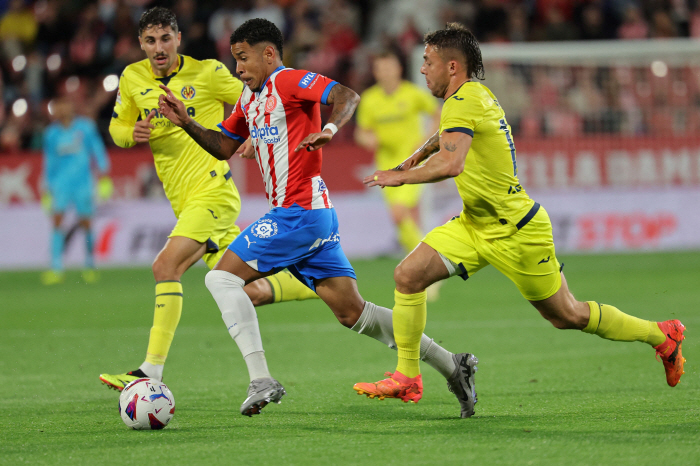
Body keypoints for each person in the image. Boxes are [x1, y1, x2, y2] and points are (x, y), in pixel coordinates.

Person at [355, 22, 686, 411]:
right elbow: (449, 138)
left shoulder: (463, 101)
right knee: (408, 275)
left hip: (516, 231)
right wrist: (422, 151)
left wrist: (401, 175)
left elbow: (453, 163)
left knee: (567, 315)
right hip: (475, 224)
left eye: (428, 61)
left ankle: (662, 335)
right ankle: (408, 376)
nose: (423, 68)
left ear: (452, 67)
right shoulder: (471, 95)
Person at [158, 18, 478, 418]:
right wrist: (186, 122)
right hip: (308, 216)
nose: (238, 68)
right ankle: (454, 365)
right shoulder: (248, 98)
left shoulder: (290, 81)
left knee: (220, 277)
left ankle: (261, 378)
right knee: (353, 313)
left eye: (243, 59)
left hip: (300, 213)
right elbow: (224, 145)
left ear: (269, 54)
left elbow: (346, 95)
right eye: (234, 59)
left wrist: (328, 127)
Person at [99, 7, 317, 392]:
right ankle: (312, 283)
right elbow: (116, 126)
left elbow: (261, 96)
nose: (159, 47)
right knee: (249, 289)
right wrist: (131, 132)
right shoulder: (132, 77)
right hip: (183, 201)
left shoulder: (209, 73)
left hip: (213, 190)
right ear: (141, 44)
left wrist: (256, 134)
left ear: (178, 38)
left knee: (165, 265)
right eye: (150, 40)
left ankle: (149, 371)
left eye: (165, 38)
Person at [355, 48, 439, 256]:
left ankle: (427, 259)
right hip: (386, 164)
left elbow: (437, 115)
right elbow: (361, 132)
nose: (385, 73)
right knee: (399, 217)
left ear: (399, 70)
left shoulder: (412, 94)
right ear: (375, 73)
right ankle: (426, 262)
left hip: (412, 162)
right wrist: (367, 139)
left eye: (389, 68)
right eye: (380, 69)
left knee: (399, 212)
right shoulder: (369, 99)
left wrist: (426, 142)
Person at [41, 96, 111, 285]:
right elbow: (49, 161)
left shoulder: (85, 127)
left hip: (83, 183)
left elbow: (97, 149)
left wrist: (104, 173)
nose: (61, 109)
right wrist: (46, 186)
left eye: (64, 105)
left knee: (86, 223)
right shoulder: (51, 134)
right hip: (61, 185)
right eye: (58, 106)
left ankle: (90, 265)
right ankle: (56, 267)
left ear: (70, 106)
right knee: (57, 222)